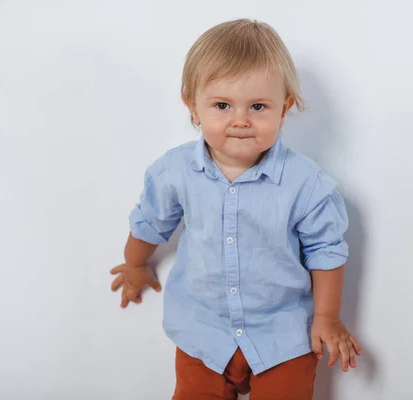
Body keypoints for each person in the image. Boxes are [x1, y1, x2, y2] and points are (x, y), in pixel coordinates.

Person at [110, 18, 361, 400]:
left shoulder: (305, 183)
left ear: (284, 108)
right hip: (203, 334)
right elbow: (150, 221)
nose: (240, 120)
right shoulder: (175, 171)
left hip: (283, 336)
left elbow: (326, 251)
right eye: (222, 105)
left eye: (258, 106)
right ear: (193, 107)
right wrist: (135, 263)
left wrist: (327, 318)